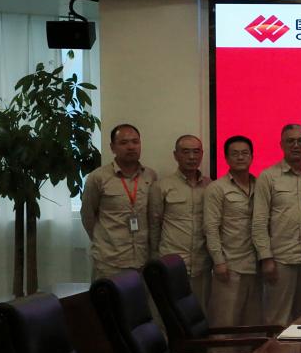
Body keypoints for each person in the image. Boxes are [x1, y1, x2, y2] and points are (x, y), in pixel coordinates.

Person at [253, 124, 301, 326]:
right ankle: (274, 349)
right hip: (280, 260)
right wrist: (266, 258)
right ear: (281, 145)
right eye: (290, 141)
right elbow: (259, 221)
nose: (296, 145)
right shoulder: (268, 176)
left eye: (300, 141)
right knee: (277, 319)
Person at [80, 124, 158, 280]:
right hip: (109, 262)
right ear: (112, 147)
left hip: (142, 260)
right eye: (124, 142)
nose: (131, 147)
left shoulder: (150, 176)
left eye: (135, 142)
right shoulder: (98, 177)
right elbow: (88, 216)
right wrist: (103, 243)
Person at [204, 136, 261, 326]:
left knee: (253, 323)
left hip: (256, 266)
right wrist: (219, 262)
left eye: (245, 153)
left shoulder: (260, 185)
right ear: (226, 158)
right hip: (230, 266)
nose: (240, 157)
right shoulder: (216, 188)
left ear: (252, 156)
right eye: (235, 154)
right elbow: (211, 228)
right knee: (225, 323)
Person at [148, 134, 211, 304]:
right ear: (176, 155)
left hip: (201, 264)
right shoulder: (162, 186)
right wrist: (155, 259)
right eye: (185, 152)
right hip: (172, 263)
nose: (191, 157)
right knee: (171, 312)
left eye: (196, 152)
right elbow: (154, 226)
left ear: (202, 154)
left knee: (200, 312)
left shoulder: (210, 186)